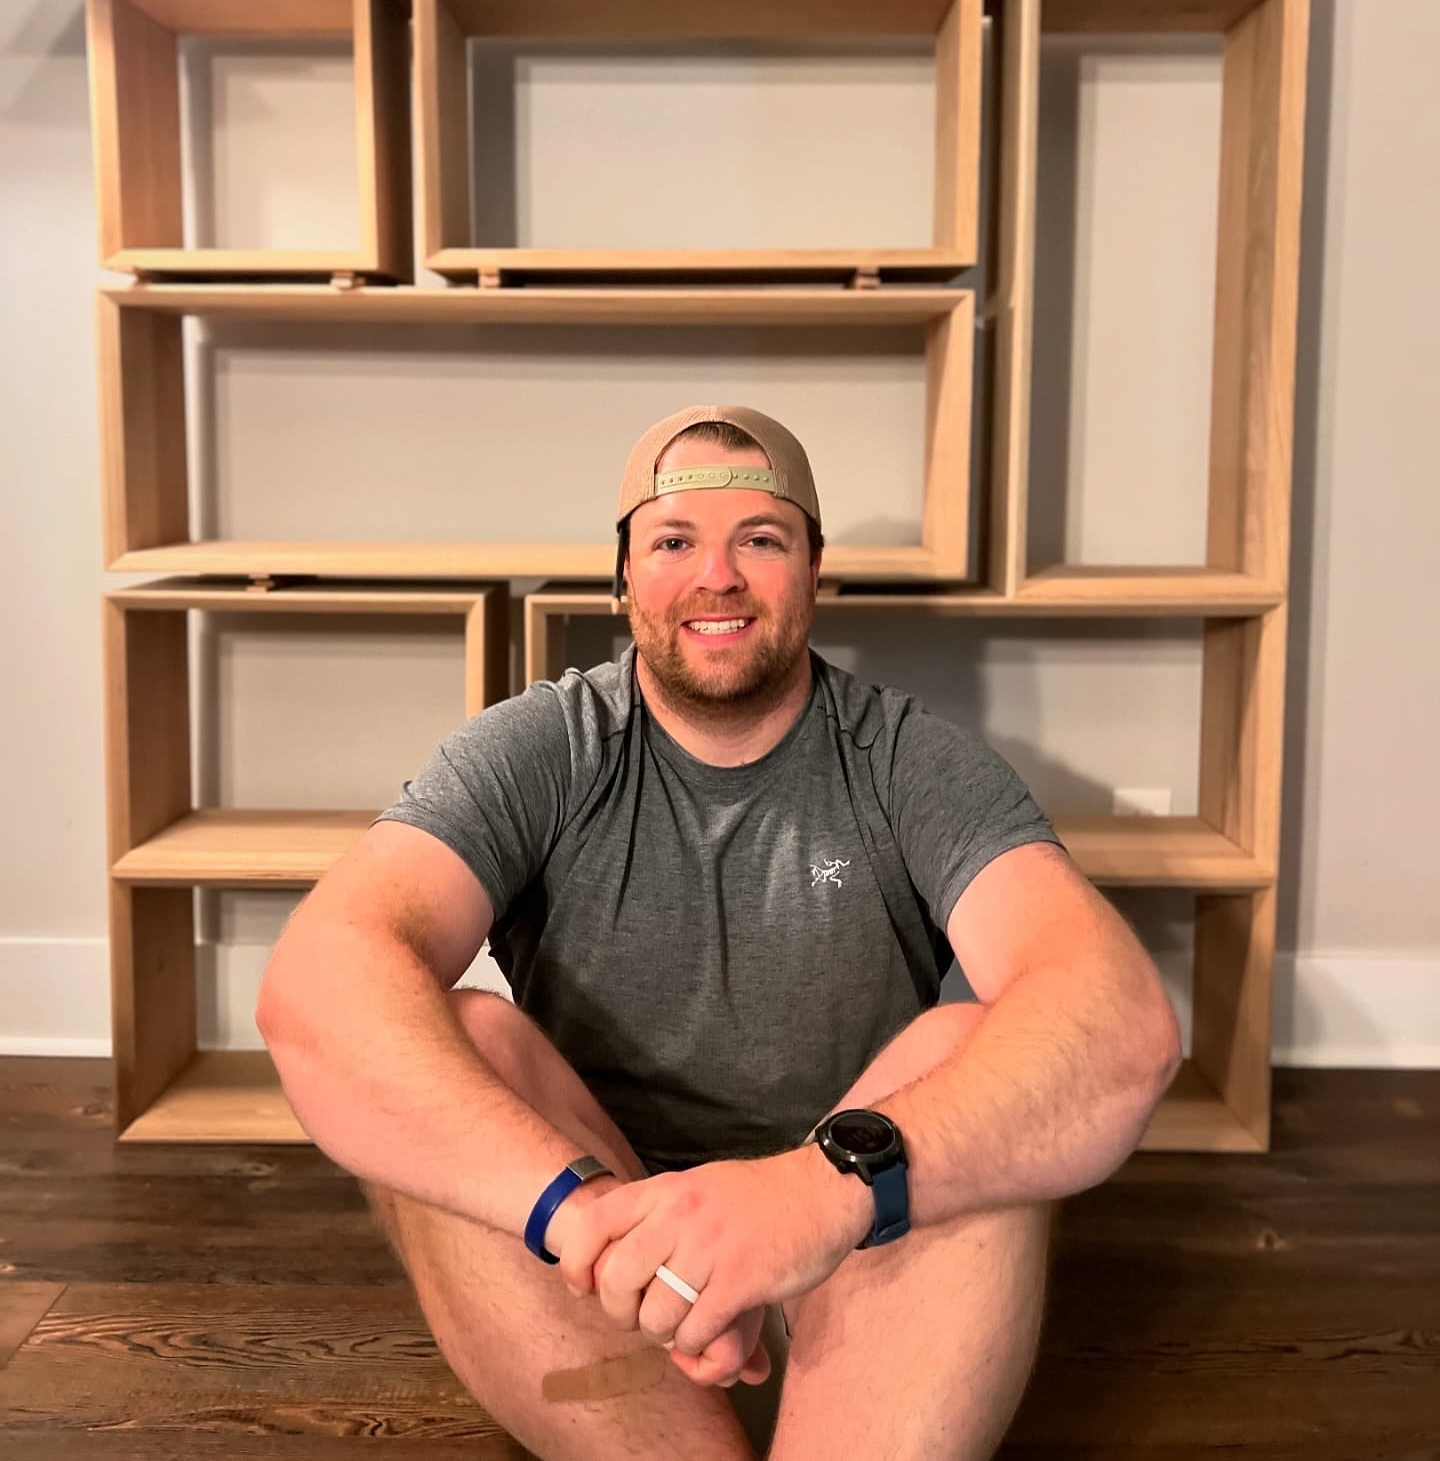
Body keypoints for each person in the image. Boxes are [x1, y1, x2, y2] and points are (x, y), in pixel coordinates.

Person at [258, 404, 1181, 1461]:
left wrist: (811, 1196)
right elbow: (316, 988)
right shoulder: (544, 748)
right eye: (674, 542)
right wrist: (598, 1227)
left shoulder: (910, 761)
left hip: (868, 1287)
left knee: (972, 1047)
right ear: (623, 578)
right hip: (600, 1307)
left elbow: (1121, 1026)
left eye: (761, 540)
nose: (718, 577)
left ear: (815, 571)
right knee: (459, 1039)